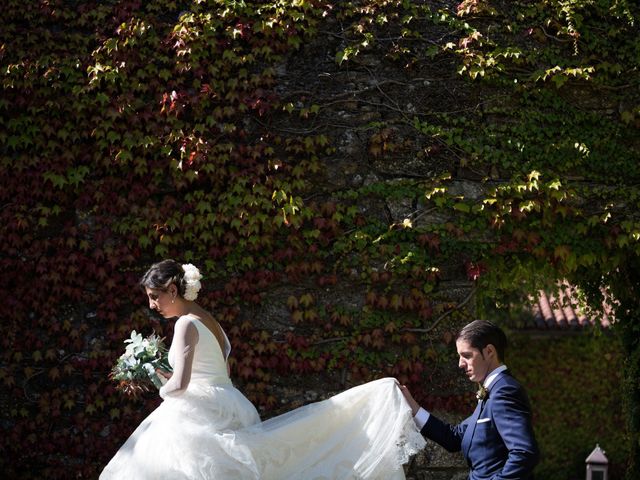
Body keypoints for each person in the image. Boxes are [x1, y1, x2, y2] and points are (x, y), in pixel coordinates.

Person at [101, 259, 425, 479]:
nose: (152, 305)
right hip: (227, 403)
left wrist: (158, 382)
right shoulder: (210, 321)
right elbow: (218, 374)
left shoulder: (186, 323)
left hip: (197, 413)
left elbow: (182, 385)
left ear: (173, 291)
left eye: (155, 297)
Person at [400, 320, 539, 479]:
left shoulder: (505, 390)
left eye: (466, 355)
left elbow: (524, 453)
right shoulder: (493, 390)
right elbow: (453, 438)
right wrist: (412, 407)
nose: (460, 364)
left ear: (489, 351)